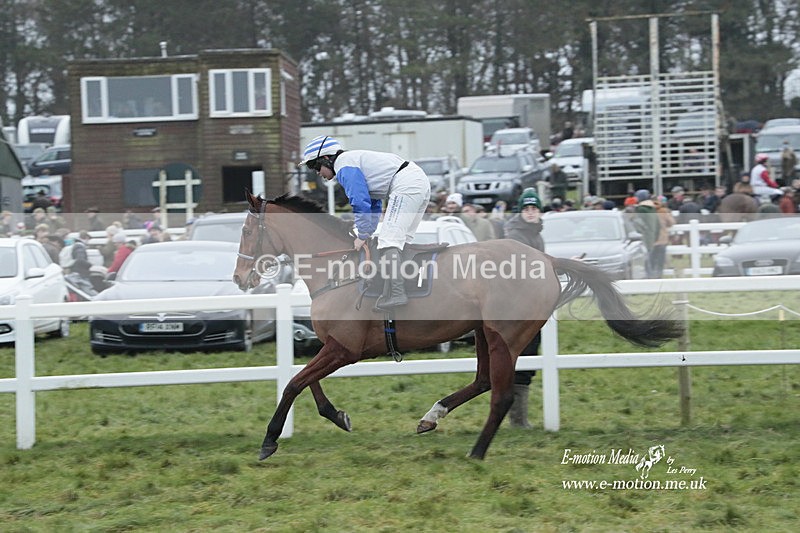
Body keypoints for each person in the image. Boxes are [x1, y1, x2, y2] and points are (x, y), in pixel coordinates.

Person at [299, 135, 431, 311]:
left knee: (388, 241)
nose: (316, 172)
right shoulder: (350, 162)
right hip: (416, 181)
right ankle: (399, 289)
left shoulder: (344, 166)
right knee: (401, 240)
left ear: (326, 159)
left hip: (407, 183)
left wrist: (362, 234)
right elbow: (373, 204)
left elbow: (359, 202)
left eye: (315, 166)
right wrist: (367, 231)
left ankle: (397, 293)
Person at [502, 188, 544, 428]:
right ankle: (516, 420)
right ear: (520, 211)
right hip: (517, 306)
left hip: (529, 302)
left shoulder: (535, 233)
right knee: (522, 357)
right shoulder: (517, 234)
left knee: (527, 356)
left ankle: (518, 418)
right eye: (527, 209)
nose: (530, 212)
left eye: (534, 208)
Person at [632, 191, 661, 278]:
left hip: (642, 237)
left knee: (643, 260)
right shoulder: (653, 209)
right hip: (651, 237)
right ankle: (651, 276)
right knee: (649, 258)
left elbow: (638, 223)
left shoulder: (640, 209)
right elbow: (658, 225)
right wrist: (655, 238)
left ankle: (648, 278)